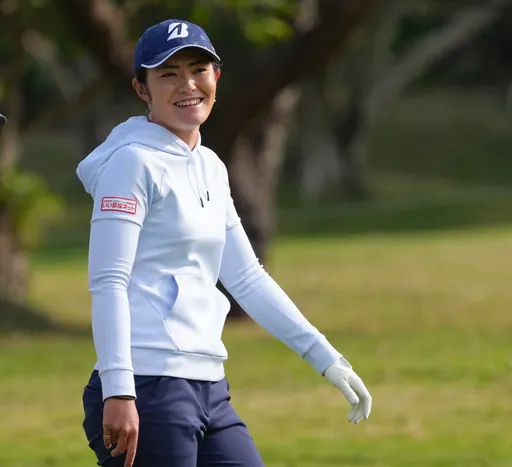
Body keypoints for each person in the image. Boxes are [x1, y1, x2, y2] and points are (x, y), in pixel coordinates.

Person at [76, 19, 372, 467]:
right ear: (142, 89)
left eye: (199, 70)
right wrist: (119, 389)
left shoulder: (211, 166)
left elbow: (247, 277)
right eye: (168, 74)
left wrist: (325, 357)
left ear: (216, 76)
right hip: (146, 385)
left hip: (209, 385)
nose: (187, 85)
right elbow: (108, 281)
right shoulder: (131, 163)